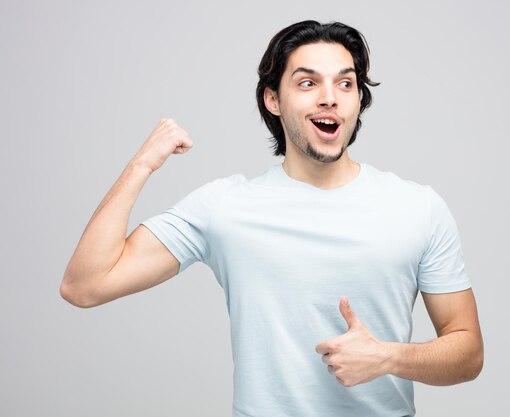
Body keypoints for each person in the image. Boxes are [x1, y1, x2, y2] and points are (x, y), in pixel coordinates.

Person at [61, 20, 483, 417]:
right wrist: (141, 166)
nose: (329, 97)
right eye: (307, 82)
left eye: (345, 83)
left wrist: (389, 357)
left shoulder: (418, 207)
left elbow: (468, 354)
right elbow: (84, 286)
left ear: (357, 100)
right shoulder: (224, 207)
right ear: (273, 100)